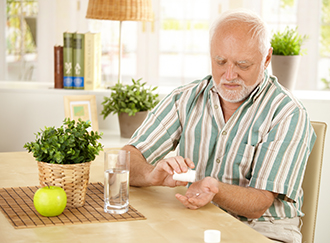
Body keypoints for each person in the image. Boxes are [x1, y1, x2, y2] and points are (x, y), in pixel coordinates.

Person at [122, 9, 316, 243]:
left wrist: (215, 188)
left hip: (263, 231)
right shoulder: (185, 98)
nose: (229, 75)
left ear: (266, 59)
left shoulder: (287, 113)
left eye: (243, 64)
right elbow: (126, 158)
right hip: (198, 221)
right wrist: (150, 174)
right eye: (220, 61)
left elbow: (259, 204)